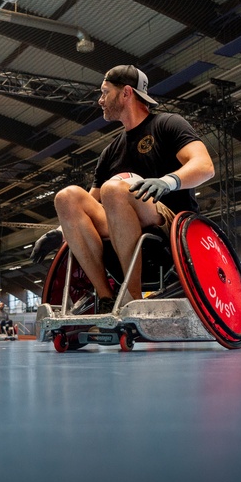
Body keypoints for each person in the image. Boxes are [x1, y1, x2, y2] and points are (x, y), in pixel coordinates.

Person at [30, 65, 215, 312]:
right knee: (68, 197)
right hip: (120, 222)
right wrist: (60, 230)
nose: (100, 100)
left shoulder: (167, 124)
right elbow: (89, 205)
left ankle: (132, 297)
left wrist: (167, 181)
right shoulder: (110, 151)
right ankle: (107, 298)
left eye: (105, 92)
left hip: (169, 225)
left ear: (126, 93)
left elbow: (204, 165)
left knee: (114, 189)